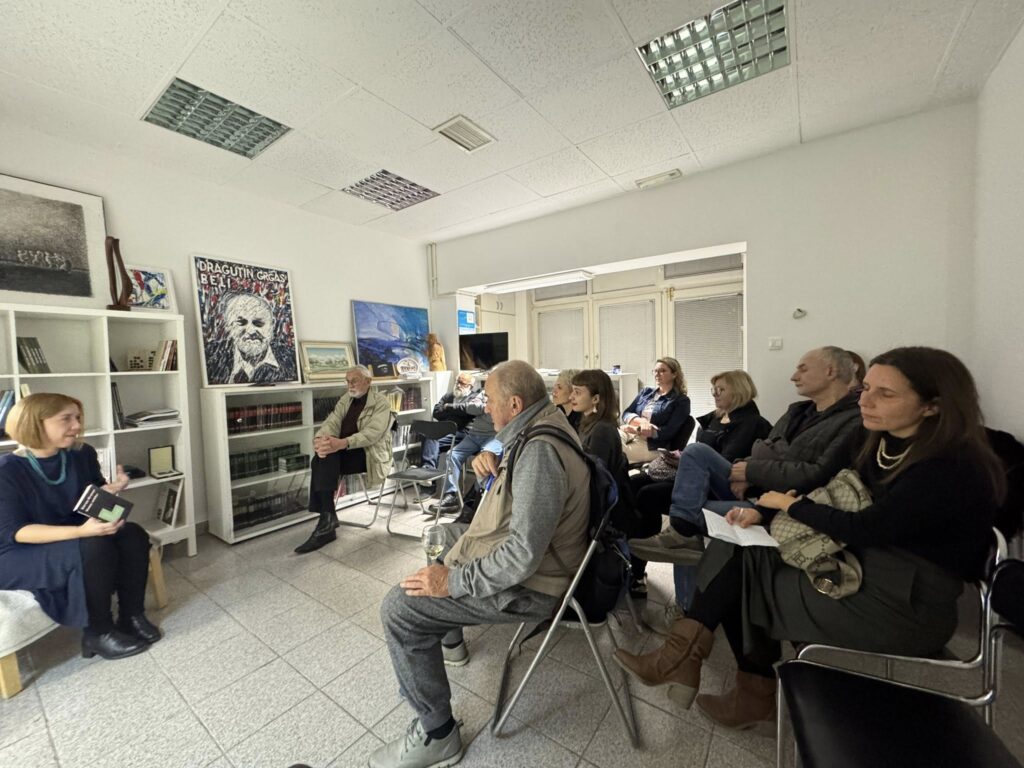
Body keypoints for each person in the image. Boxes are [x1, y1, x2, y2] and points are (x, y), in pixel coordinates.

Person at [613, 347, 1004, 732]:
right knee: (738, 544)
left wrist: (787, 506)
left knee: (740, 579)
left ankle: (723, 679)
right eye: (867, 388)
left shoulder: (952, 467)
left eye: (885, 394)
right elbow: (827, 489)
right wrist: (763, 512)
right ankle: (703, 668)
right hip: (851, 562)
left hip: (902, 602)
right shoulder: (876, 438)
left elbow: (864, 526)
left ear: (932, 406)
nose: (865, 400)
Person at [372, 361, 590, 768]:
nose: (485, 407)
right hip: (532, 559)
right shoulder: (541, 425)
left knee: (399, 609)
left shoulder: (539, 453)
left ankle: (438, 734)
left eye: (490, 400)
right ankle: (449, 639)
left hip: (534, 588)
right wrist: (492, 460)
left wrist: (453, 582)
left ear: (515, 403)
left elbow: (522, 557)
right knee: (440, 537)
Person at [0, 394, 161, 660]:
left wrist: (112, 490)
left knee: (132, 534)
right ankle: (98, 632)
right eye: (66, 419)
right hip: (19, 551)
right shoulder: (7, 470)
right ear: (35, 423)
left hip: (76, 532)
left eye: (77, 417)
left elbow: (91, 500)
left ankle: (131, 616)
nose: (76, 426)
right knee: (93, 546)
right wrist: (81, 532)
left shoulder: (81, 454)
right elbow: (16, 532)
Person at [628, 370, 772, 599]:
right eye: (714, 389)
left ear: (739, 391)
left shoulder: (753, 423)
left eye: (721, 389)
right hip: (695, 476)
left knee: (650, 496)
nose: (715, 394)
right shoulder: (713, 419)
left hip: (722, 486)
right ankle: (634, 568)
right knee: (635, 484)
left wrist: (690, 458)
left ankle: (646, 564)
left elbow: (730, 462)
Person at [294, 366, 393, 554]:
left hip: (368, 455)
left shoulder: (381, 402)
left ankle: (327, 521)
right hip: (344, 450)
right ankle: (327, 519)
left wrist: (342, 443)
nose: (350, 385)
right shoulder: (345, 399)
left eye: (354, 381)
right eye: (347, 381)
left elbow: (371, 434)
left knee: (322, 460)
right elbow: (331, 422)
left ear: (368, 381)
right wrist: (320, 440)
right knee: (322, 456)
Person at [569, 369, 635, 531]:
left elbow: (596, 479)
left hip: (602, 513)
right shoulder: (586, 423)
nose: (571, 397)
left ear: (596, 399)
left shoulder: (602, 430)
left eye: (577, 392)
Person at [430, 379, 500, 515]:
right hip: (474, 435)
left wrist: (483, 407)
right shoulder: (483, 393)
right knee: (452, 455)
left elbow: (498, 414)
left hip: (494, 437)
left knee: (485, 459)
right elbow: (470, 408)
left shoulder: (505, 395)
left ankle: (476, 499)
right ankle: (451, 496)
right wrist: (486, 407)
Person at [210, 292, 297, 385]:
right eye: (241, 323)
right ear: (228, 326)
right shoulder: (210, 357)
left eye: (258, 323)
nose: (251, 331)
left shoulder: (293, 359)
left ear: (272, 325)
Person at [620, 357, 691, 463]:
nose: (657, 374)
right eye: (655, 371)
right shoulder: (646, 392)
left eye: (662, 371)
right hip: (631, 434)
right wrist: (642, 422)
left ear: (674, 374)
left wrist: (636, 429)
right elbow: (626, 413)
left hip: (653, 445)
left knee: (616, 452)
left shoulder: (681, 401)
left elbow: (667, 432)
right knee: (607, 440)